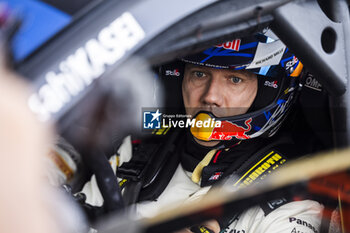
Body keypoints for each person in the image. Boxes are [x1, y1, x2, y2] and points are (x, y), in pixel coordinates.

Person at [80, 31, 324, 233]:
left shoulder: (292, 195)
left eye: (235, 79)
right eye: (199, 74)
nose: (210, 96)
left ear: (267, 93)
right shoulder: (139, 146)